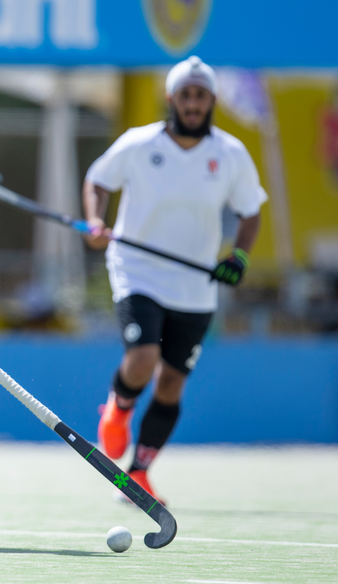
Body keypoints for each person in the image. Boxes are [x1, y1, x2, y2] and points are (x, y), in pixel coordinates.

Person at [84, 56, 267, 503]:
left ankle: (139, 473)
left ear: (212, 101)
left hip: (195, 286)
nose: (193, 103)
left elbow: (250, 211)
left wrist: (238, 256)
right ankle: (118, 410)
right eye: (185, 95)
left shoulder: (231, 154)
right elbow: (97, 180)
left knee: (171, 383)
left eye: (201, 95)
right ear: (171, 98)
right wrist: (95, 221)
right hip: (138, 270)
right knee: (143, 359)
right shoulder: (138, 143)